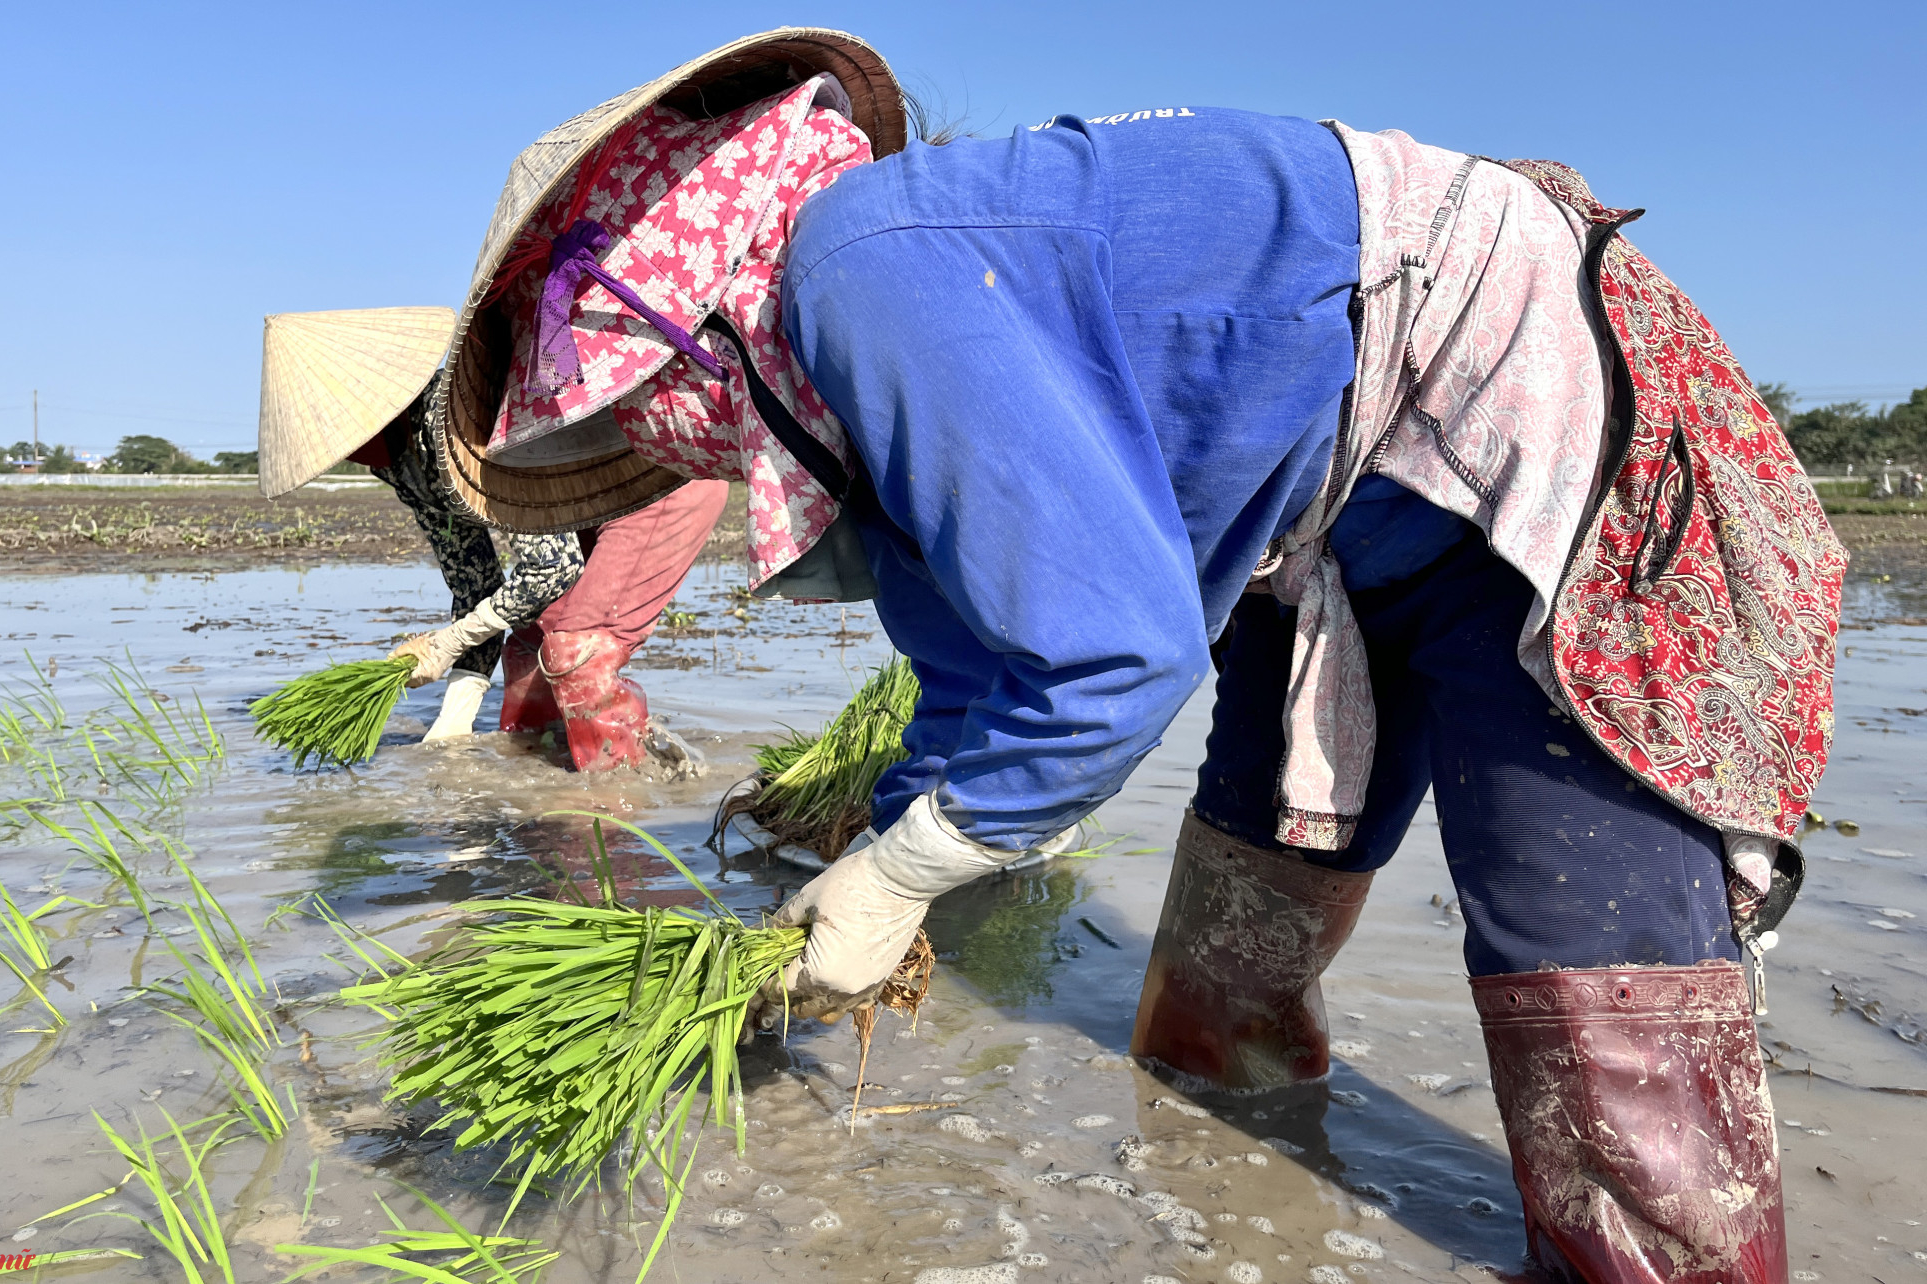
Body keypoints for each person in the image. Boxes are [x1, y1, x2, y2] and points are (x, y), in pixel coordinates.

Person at [426, 30, 1845, 1283]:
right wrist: (879, 865)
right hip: (1319, 536)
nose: (678, 452)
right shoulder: (874, 327)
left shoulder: (857, 269)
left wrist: (917, 867)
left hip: (1507, 441)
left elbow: (1116, 652)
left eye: (648, 412)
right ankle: (1233, 1224)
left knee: (1590, 985)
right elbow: (978, 671)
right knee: (1222, 979)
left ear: (686, 329)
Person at [255, 307, 726, 770]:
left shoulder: (464, 418)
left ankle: (625, 805)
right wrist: (452, 726)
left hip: (658, 481)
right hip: (582, 504)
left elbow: (552, 570)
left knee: (575, 652)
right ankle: (538, 782)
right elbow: (474, 587)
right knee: (526, 642)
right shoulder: (399, 463)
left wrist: (445, 644)